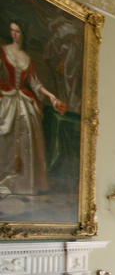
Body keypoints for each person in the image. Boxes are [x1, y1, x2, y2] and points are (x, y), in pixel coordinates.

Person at [0, 20, 67, 195]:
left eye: (18, 31)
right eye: (12, 30)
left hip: (23, 99)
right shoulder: (3, 50)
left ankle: (23, 183)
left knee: (28, 133)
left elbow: (36, 85)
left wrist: (51, 96)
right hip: (5, 97)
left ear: (23, 34)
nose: (14, 34)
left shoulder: (28, 59)